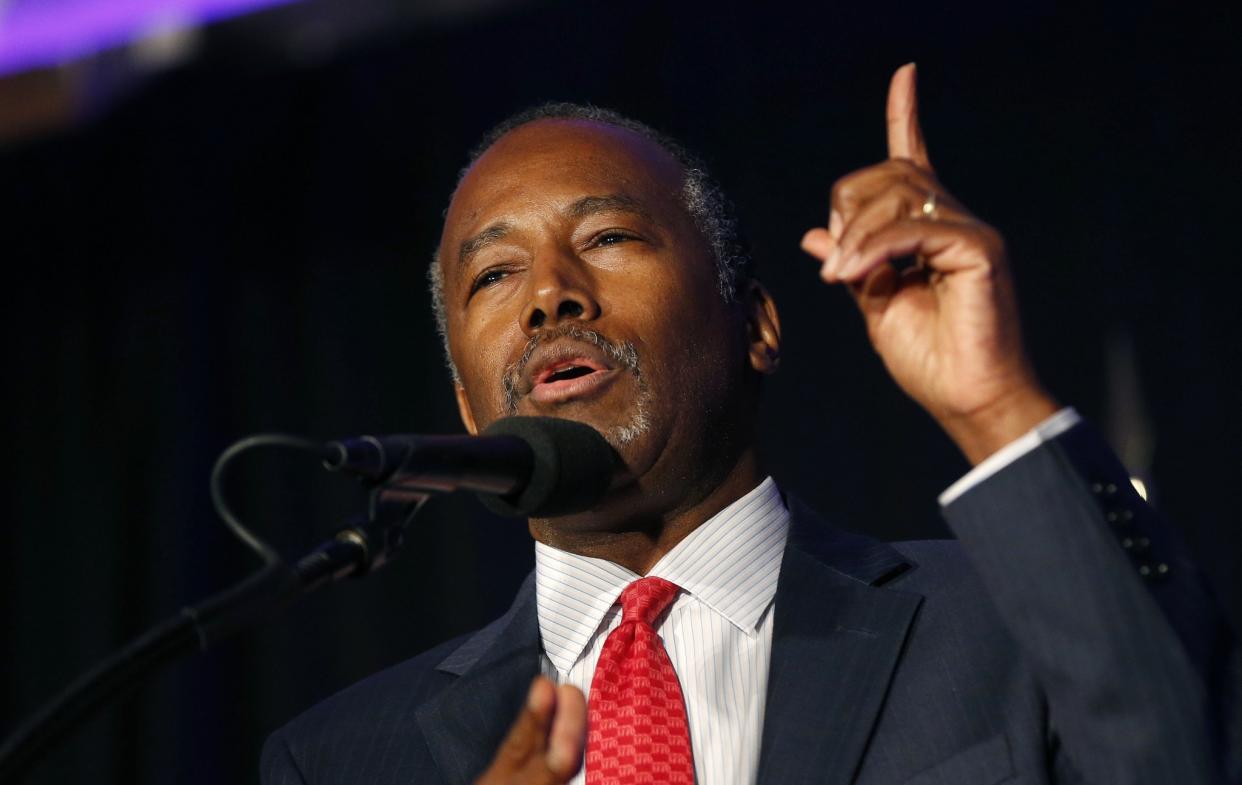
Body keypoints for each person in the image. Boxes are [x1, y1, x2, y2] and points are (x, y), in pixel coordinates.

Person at [261, 64, 1237, 785]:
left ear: (757, 325)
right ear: (470, 408)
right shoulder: (340, 757)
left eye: (607, 238)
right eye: (494, 274)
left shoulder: (1007, 624)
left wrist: (995, 400)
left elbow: (1181, 745)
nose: (551, 295)